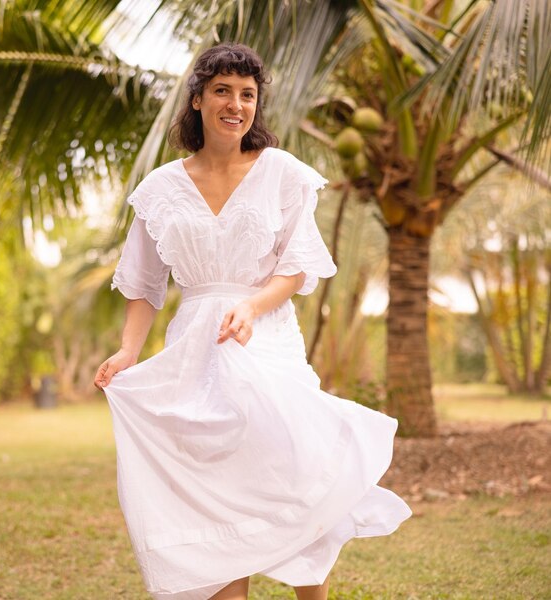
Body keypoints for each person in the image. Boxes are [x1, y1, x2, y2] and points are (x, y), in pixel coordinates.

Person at [93, 43, 412, 600]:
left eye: (247, 94)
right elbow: (144, 285)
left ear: (256, 105)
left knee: (290, 470)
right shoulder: (160, 189)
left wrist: (252, 306)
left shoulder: (283, 174)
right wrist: (126, 352)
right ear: (197, 100)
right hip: (196, 344)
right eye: (222, 91)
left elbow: (296, 267)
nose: (235, 104)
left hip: (266, 340)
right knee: (213, 484)